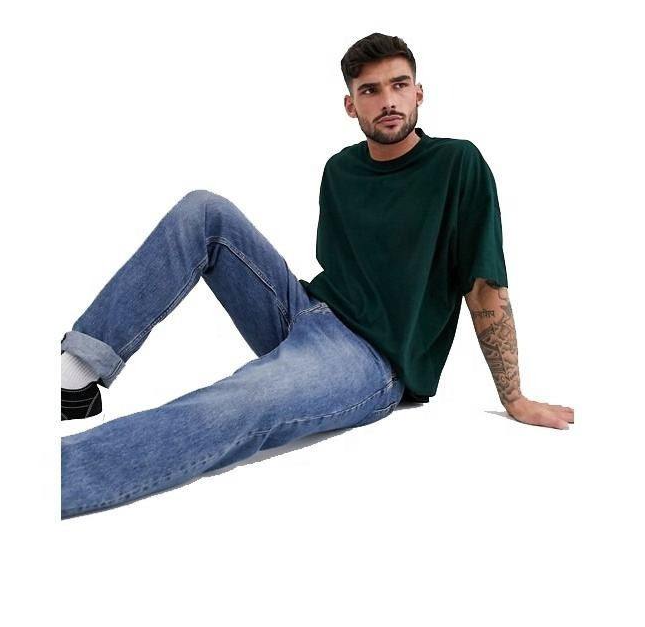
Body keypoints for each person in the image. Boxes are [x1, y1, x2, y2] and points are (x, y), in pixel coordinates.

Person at [60, 32, 574, 519]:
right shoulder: (340, 170)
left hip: (370, 358)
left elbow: (484, 287)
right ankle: (75, 377)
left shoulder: (458, 164)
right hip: (307, 313)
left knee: (243, 400)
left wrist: (514, 397)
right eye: (370, 91)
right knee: (204, 210)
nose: (387, 101)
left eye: (399, 85)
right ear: (351, 105)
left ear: (419, 93)